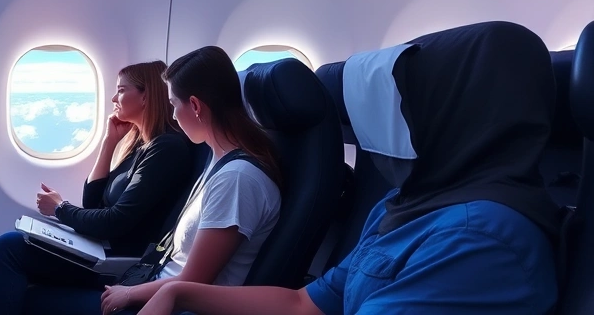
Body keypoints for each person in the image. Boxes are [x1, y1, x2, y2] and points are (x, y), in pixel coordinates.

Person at [136, 23, 560, 315]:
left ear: (458, 119)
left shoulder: (481, 239)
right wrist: (177, 291)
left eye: (407, 110)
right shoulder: (406, 204)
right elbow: (303, 304)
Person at [25, 46, 284, 315]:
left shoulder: (237, 180)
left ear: (194, 105)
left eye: (173, 104)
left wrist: (128, 293)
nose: (172, 115)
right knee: (28, 295)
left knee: (29, 299)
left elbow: (193, 282)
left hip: (175, 306)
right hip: (154, 287)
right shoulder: (219, 163)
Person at [0, 60, 195, 315]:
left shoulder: (167, 148)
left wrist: (60, 208)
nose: (114, 97)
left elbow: (116, 220)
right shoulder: (141, 145)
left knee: (8, 247)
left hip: (116, 262)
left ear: (145, 96)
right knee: (15, 241)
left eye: (122, 90)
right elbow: (93, 203)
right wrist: (109, 142)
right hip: (100, 249)